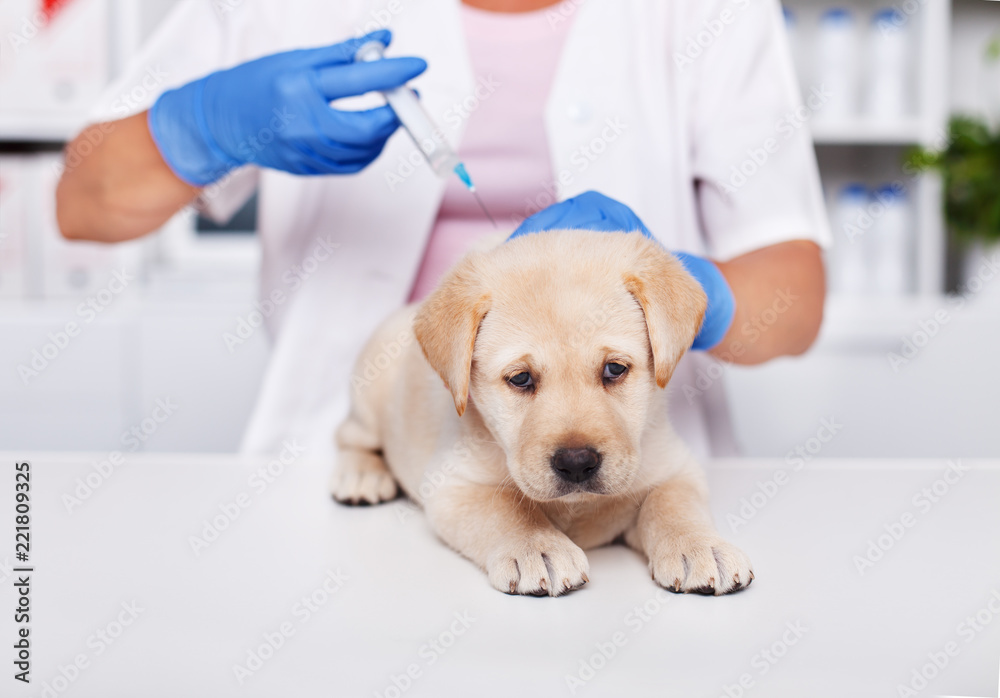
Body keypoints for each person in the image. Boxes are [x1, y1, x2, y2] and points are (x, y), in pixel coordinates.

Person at [56, 0, 829, 459]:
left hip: (618, 473)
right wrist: (209, 125)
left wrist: (691, 290)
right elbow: (82, 202)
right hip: (348, 457)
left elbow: (793, 297)